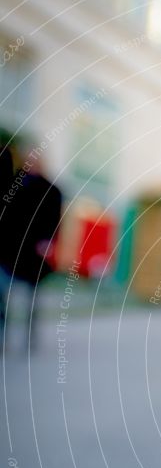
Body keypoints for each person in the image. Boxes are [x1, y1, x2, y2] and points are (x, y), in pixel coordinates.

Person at [0, 148, 62, 350]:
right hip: (9, 249)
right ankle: (3, 337)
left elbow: (55, 221)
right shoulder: (14, 184)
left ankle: (30, 338)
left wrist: (48, 242)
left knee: (31, 300)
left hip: (35, 254)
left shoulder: (52, 191)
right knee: (3, 295)